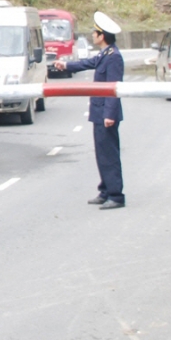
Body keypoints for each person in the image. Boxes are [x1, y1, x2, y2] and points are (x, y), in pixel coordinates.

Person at [54, 11, 125, 210]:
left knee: (109, 154)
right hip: (99, 112)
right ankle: (105, 190)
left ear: (102, 36)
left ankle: (116, 195)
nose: (92, 35)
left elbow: (113, 87)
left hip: (106, 114)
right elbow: (87, 63)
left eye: (95, 32)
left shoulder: (114, 58)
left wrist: (110, 114)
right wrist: (66, 65)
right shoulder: (105, 54)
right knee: (102, 154)